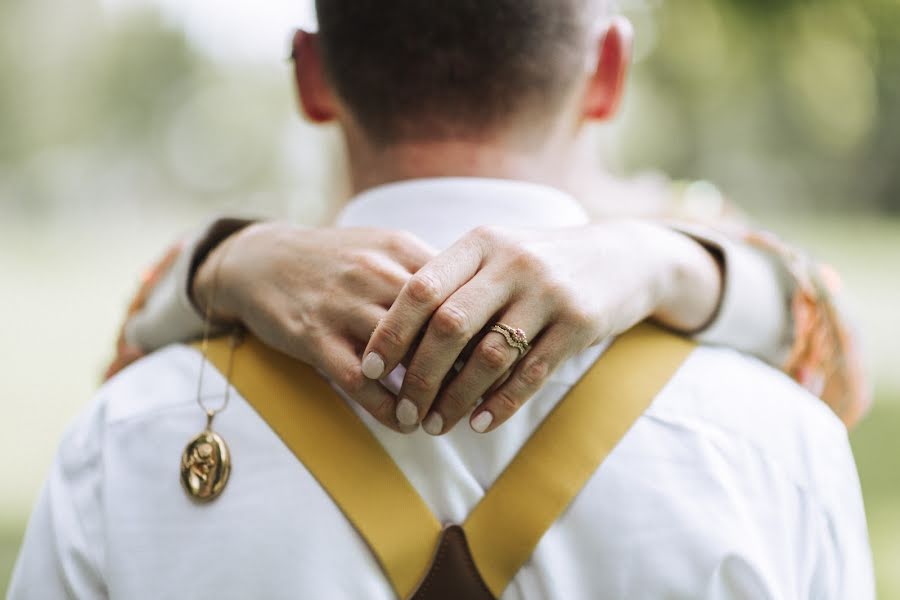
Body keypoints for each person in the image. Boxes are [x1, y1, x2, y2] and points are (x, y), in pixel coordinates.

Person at [11, 1, 873, 598]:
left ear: (311, 75)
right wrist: (673, 262)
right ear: (607, 72)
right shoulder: (781, 443)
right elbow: (826, 348)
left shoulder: (122, 440)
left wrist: (223, 258)